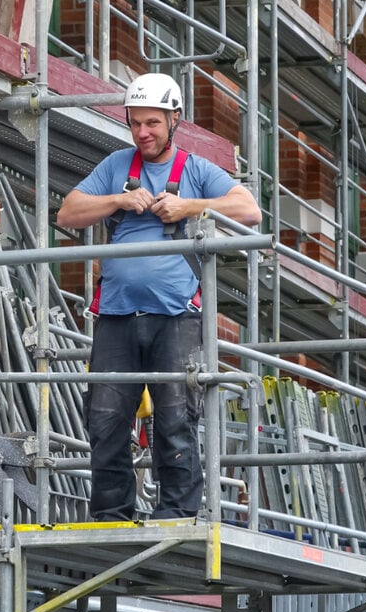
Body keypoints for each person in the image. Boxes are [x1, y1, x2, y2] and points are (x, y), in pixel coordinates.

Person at [56, 73, 262, 521]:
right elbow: (68, 212)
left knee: (174, 419)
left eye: (152, 123)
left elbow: (249, 209)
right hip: (116, 316)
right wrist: (117, 201)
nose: (143, 133)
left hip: (176, 318)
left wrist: (189, 206)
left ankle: (177, 516)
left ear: (175, 120)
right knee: (106, 420)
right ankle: (111, 518)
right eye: (135, 124)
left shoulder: (195, 169)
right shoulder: (116, 166)